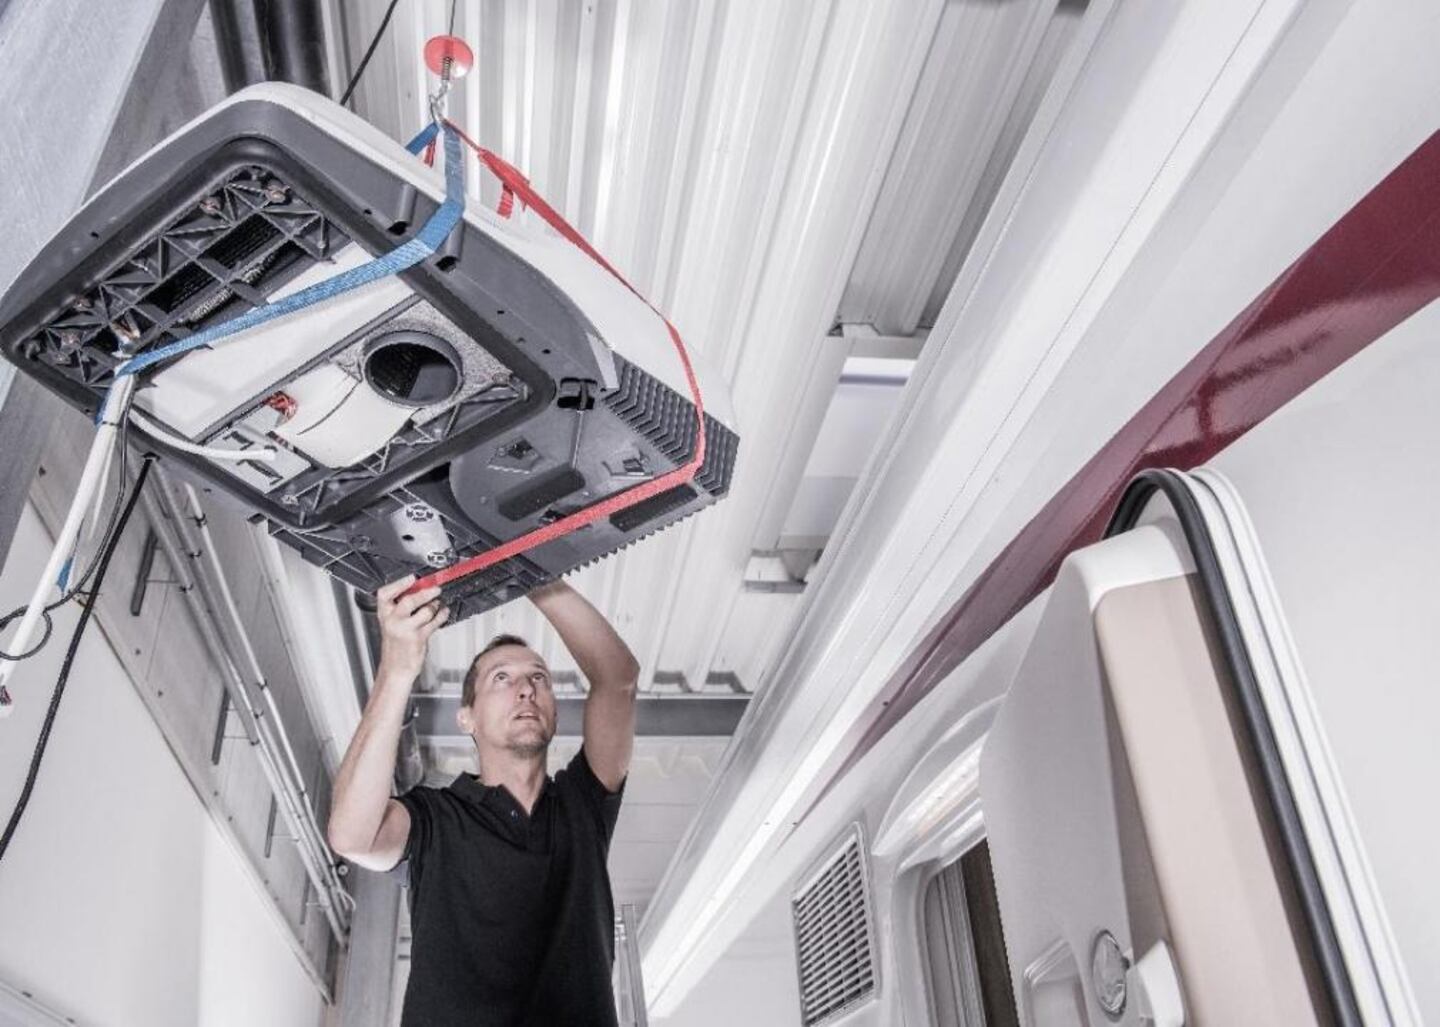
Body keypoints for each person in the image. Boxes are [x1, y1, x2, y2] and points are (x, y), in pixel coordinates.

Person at [327, 574, 639, 1026]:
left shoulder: (582, 807)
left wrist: (530, 572)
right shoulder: (434, 820)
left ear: (554, 710)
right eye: (501, 678)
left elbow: (618, 678)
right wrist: (396, 670)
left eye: (538, 678)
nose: (526, 689)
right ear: (466, 718)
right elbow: (352, 837)